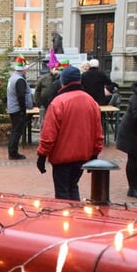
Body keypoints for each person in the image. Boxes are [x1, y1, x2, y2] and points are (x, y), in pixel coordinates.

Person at [36, 65, 104, 201]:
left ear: (63, 82)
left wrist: (42, 155)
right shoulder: (91, 102)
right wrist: (94, 154)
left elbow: (49, 135)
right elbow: (98, 134)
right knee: (73, 186)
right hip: (82, 156)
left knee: (62, 193)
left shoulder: (58, 103)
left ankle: (66, 220)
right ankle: (75, 218)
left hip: (62, 158)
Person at [6, 55, 30, 160]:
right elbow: (21, 96)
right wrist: (23, 110)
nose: (26, 71)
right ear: (23, 70)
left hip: (12, 108)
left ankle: (12, 151)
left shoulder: (12, 78)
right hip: (17, 109)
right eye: (26, 70)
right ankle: (13, 153)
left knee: (14, 130)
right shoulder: (20, 80)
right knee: (16, 131)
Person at [34, 63, 59, 130]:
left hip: (57, 106)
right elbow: (37, 91)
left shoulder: (60, 79)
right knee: (43, 123)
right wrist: (39, 103)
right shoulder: (43, 79)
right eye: (53, 67)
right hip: (44, 105)